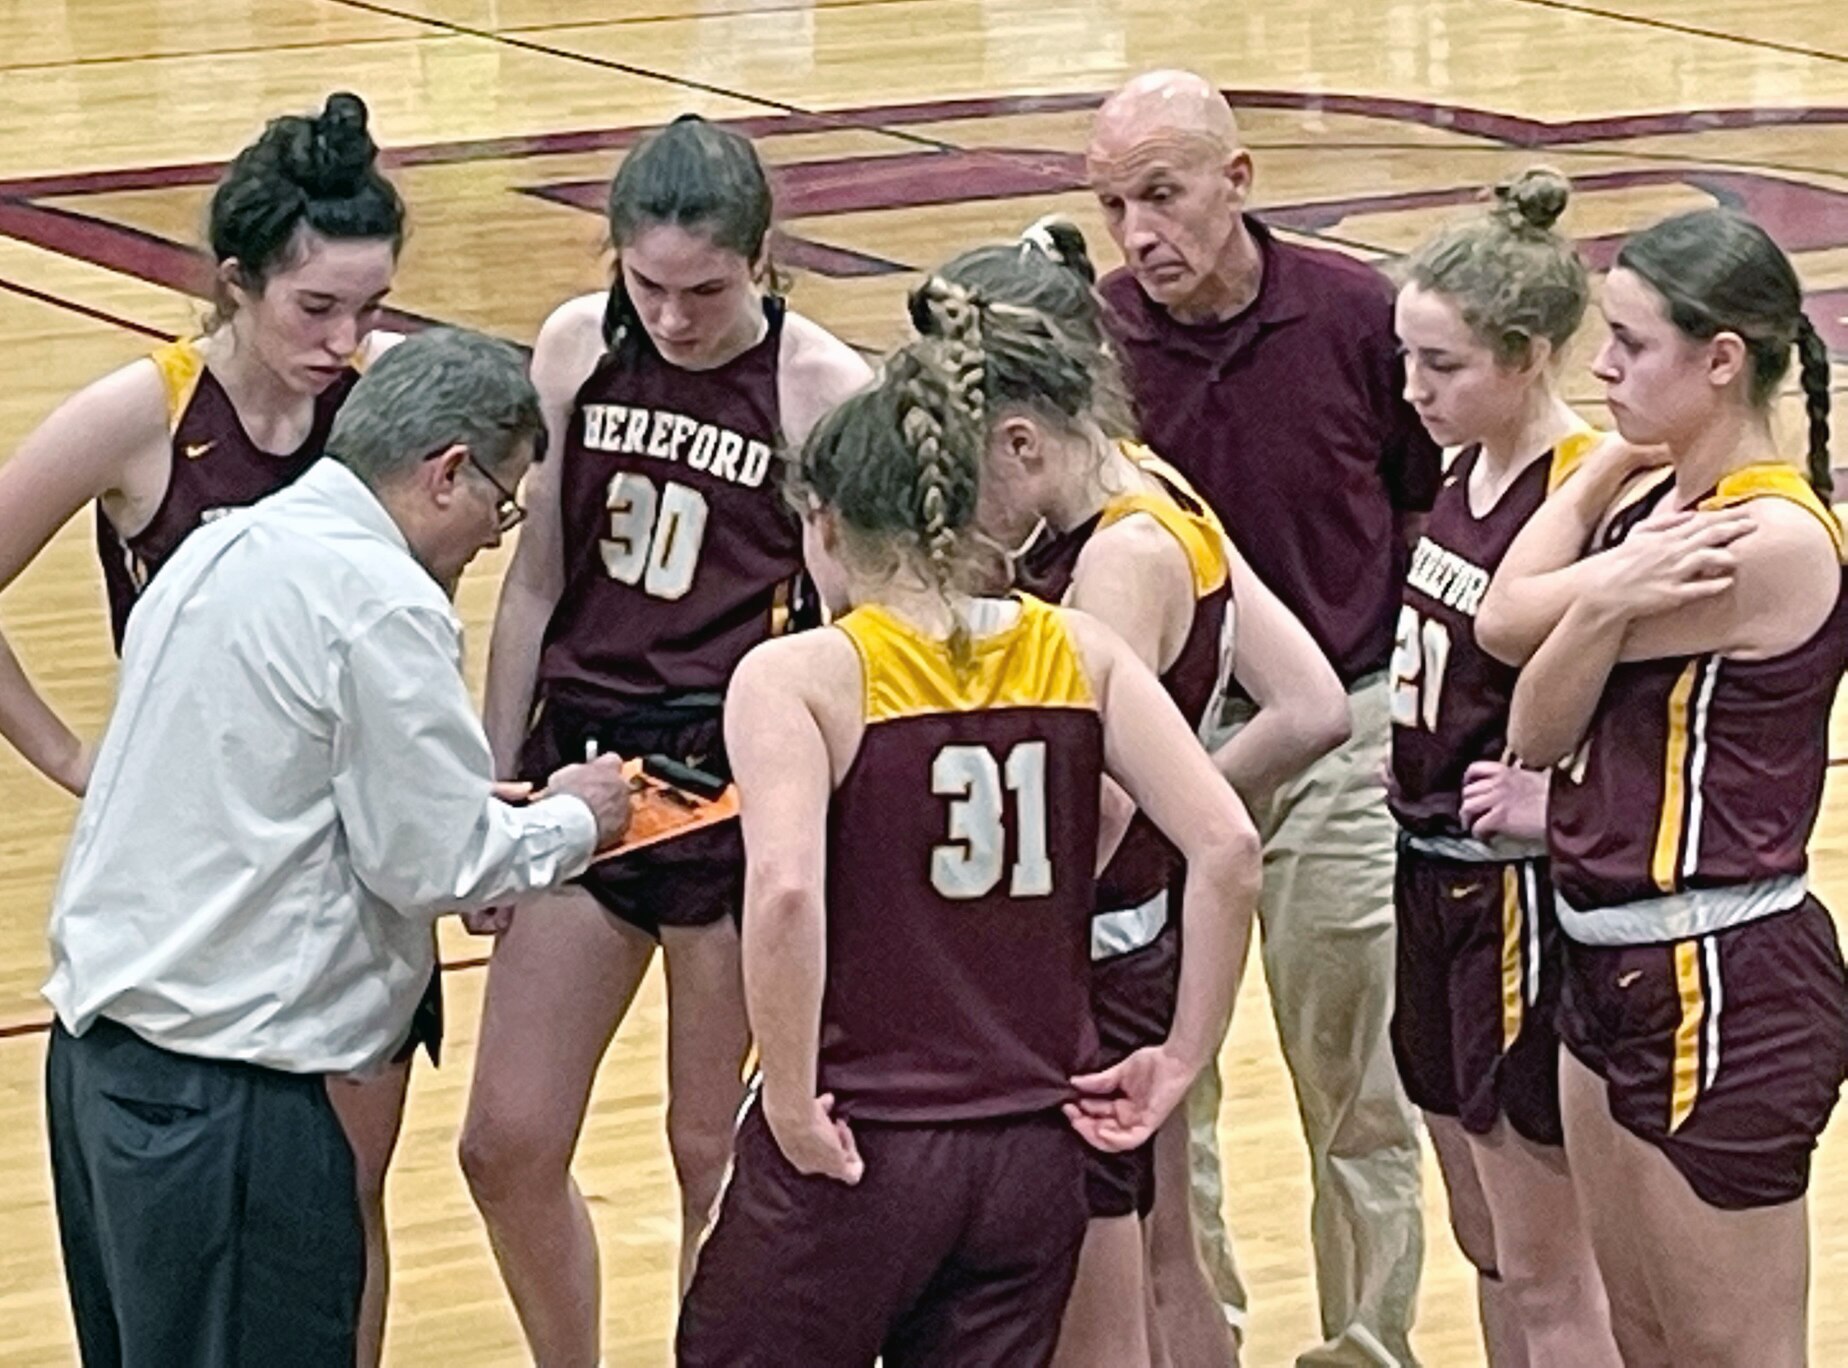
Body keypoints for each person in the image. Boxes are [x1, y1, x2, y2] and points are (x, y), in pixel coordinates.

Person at [675, 283, 1262, 1368]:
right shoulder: (1077, 651)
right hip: (1030, 1150)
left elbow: (790, 893)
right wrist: (1180, 1056)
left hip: (866, 1133)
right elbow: (1227, 846)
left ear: (826, 523)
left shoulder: (803, 674)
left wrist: (796, 1100)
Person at [41, 327, 635, 1368]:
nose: (495, 538)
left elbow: (269, 782)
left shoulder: (221, 548)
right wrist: (582, 815)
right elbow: (436, 865)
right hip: (231, 1108)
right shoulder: (383, 597)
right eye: (502, 507)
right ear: (448, 471)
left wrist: (429, 794)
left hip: (100, 1079)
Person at [0, 91, 418, 1368]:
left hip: (352, 865)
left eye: (371, 307)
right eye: (316, 309)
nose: (346, 341)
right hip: (198, 887)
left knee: (344, 1200)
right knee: (200, 1228)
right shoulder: (145, 411)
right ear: (236, 285)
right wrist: (73, 754)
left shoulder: (388, 405)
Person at [457, 112, 873, 1362]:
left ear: (764, 258)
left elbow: (852, 636)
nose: (678, 318)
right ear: (613, 262)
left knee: (713, 1155)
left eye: (709, 289)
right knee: (506, 1141)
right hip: (585, 773)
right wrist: (494, 789)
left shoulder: (823, 389)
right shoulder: (578, 347)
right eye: (651, 286)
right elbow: (532, 586)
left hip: (734, 794)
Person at [914, 223, 1346, 1368]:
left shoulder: (1117, 559)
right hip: (1137, 930)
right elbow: (1309, 704)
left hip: (1088, 948)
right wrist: (1188, 801)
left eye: (960, 470)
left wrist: (1159, 812)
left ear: (1017, 436)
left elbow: (1082, 804)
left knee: (1100, 1272)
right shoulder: (1153, 483)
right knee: (1166, 1248)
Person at [1086, 69, 1440, 1366]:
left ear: (1238, 182)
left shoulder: (1357, 317)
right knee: (1171, 1088)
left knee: (1355, 1084)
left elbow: (1419, 511)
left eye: (1162, 195)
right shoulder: (1101, 341)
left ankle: (1367, 1345)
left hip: (1341, 733)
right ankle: (1197, 1337)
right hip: (1163, 749)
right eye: (1114, 203)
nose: (1138, 233)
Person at [1481, 208, 1848, 1368]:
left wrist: (1597, 594)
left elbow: (1507, 625)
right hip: (1605, 950)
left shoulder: (1768, 539)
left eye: (1631, 344)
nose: (1601, 368)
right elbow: (1534, 723)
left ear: (1722, 359)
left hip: (1720, 970)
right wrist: (1600, 526)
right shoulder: (1656, 515)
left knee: (1730, 1352)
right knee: (1640, 1336)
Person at [1387, 168, 1620, 1368]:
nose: (1415, 390)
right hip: (1424, 872)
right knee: (1484, 1243)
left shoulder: (1589, 490)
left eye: (1444, 366)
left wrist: (1558, 806)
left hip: (1514, 895)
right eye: (1409, 359)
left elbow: (1635, 707)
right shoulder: (1458, 465)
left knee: (1547, 1265)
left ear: (1529, 355)